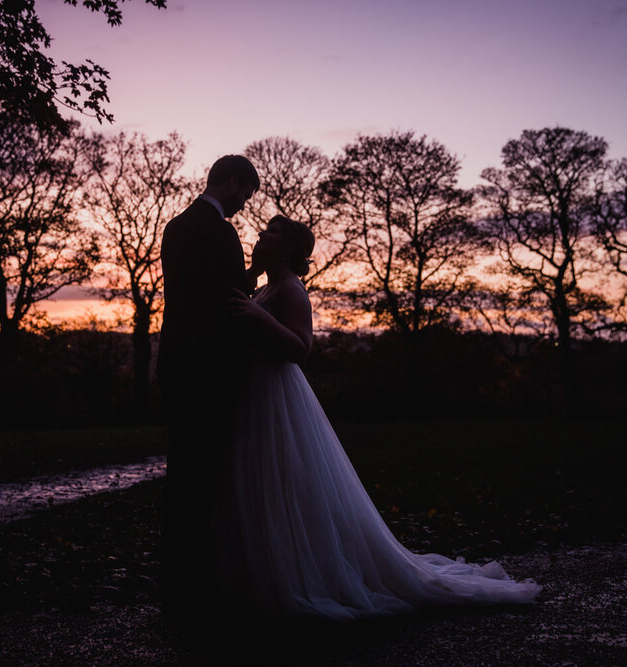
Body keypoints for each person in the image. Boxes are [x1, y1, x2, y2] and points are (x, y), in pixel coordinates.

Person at [226, 215, 541, 620]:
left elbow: (301, 348)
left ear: (286, 248)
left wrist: (259, 317)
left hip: (278, 396)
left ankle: (306, 573)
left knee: (290, 483)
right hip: (256, 395)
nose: (258, 236)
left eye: (268, 233)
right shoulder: (268, 285)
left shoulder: (290, 290)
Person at [156, 154, 262, 612]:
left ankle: (177, 578)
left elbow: (190, 297)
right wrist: (257, 272)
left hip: (178, 364)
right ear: (233, 182)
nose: (244, 203)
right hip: (210, 370)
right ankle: (199, 583)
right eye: (246, 193)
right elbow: (229, 301)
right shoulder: (221, 232)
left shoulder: (175, 226)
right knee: (208, 473)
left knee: (181, 469)